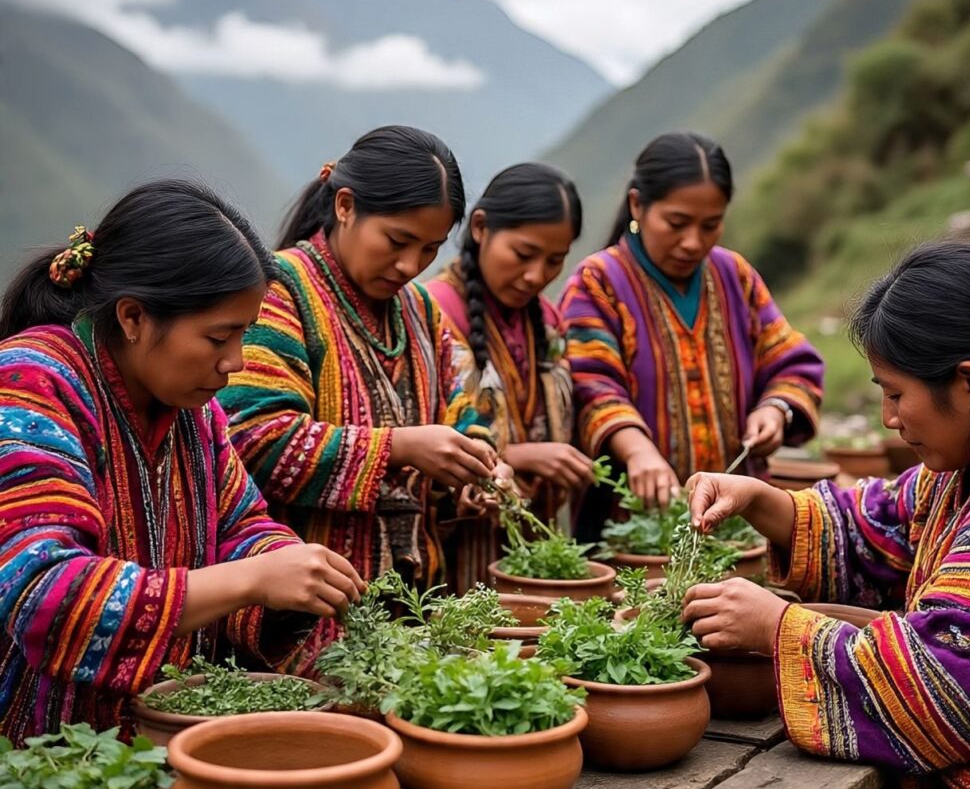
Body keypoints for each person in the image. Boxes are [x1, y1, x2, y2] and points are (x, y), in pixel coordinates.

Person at [683, 241, 970, 789]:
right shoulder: (967, 470)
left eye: (897, 394)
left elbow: (950, 675)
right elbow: (882, 527)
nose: (888, 419)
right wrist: (762, 500)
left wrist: (778, 628)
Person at [0, 182, 365, 744]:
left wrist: (289, 569)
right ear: (133, 317)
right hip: (39, 763)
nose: (235, 362)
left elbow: (240, 525)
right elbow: (45, 591)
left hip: (163, 749)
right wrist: (250, 579)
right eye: (219, 336)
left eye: (242, 335)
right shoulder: (30, 383)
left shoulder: (194, 411)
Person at [220, 126, 506, 669]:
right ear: (346, 206)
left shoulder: (422, 313)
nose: (409, 265)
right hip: (298, 621)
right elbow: (254, 439)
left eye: (430, 249)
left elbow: (464, 413)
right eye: (397, 241)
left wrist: (479, 468)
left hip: (413, 613)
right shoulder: (279, 290)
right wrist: (398, 448)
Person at [560, 132, 823, 516]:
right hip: (630, 521)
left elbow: (790, 359)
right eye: (677, 223)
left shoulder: (735, 275)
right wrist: (636, 450)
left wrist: (776, 410)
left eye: (710, 225)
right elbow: (591, 383)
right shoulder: (597, 282)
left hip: (735, 516)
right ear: (637, 205)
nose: (692, 242)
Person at [427, 162, 592, 589]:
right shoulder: (434, 313)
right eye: (523, 254)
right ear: (480, 227)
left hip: (534, 550)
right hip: (458, 556)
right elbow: (417, 432)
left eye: (554, 261)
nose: (537, 275)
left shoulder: (547, 321)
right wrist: (517, 456)